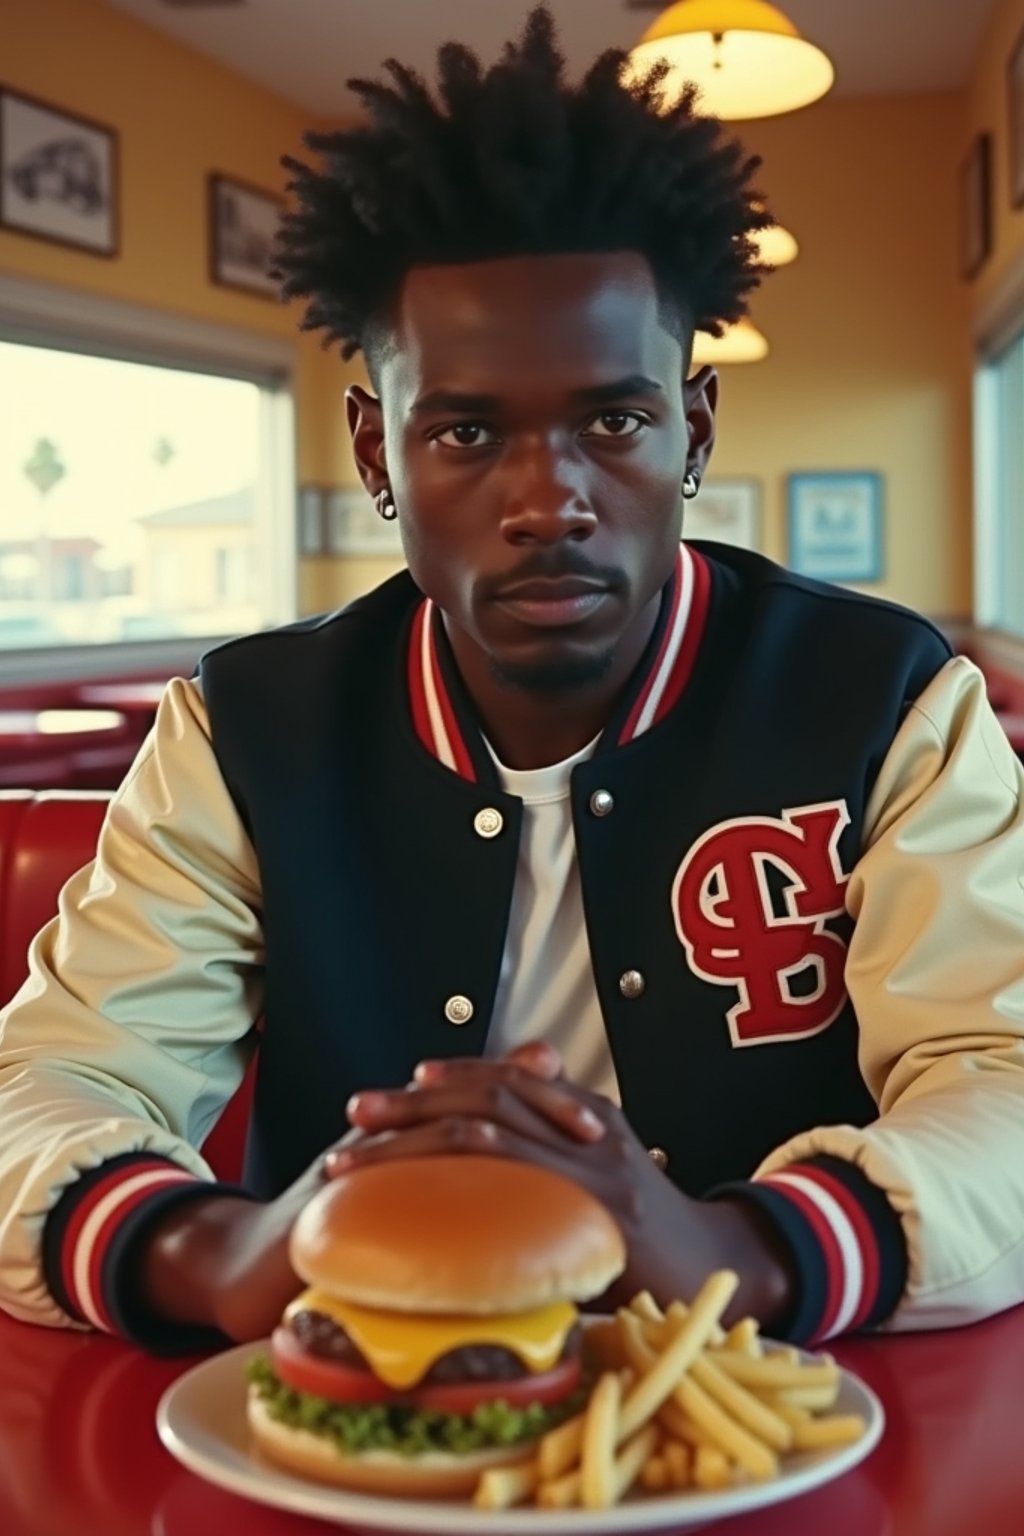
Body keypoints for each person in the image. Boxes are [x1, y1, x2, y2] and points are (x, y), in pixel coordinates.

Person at [2, 6, 1024, 1356]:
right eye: (469, 428)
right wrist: (219, 1251)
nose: (551, 499)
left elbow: (1002, 1077)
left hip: (778, 1404)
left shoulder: (891, 701)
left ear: (693, 429)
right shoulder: (241, 734)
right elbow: (54, 1079)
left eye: (615, 418)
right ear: (378, 455)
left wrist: (740, 1247)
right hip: (354, 1411)